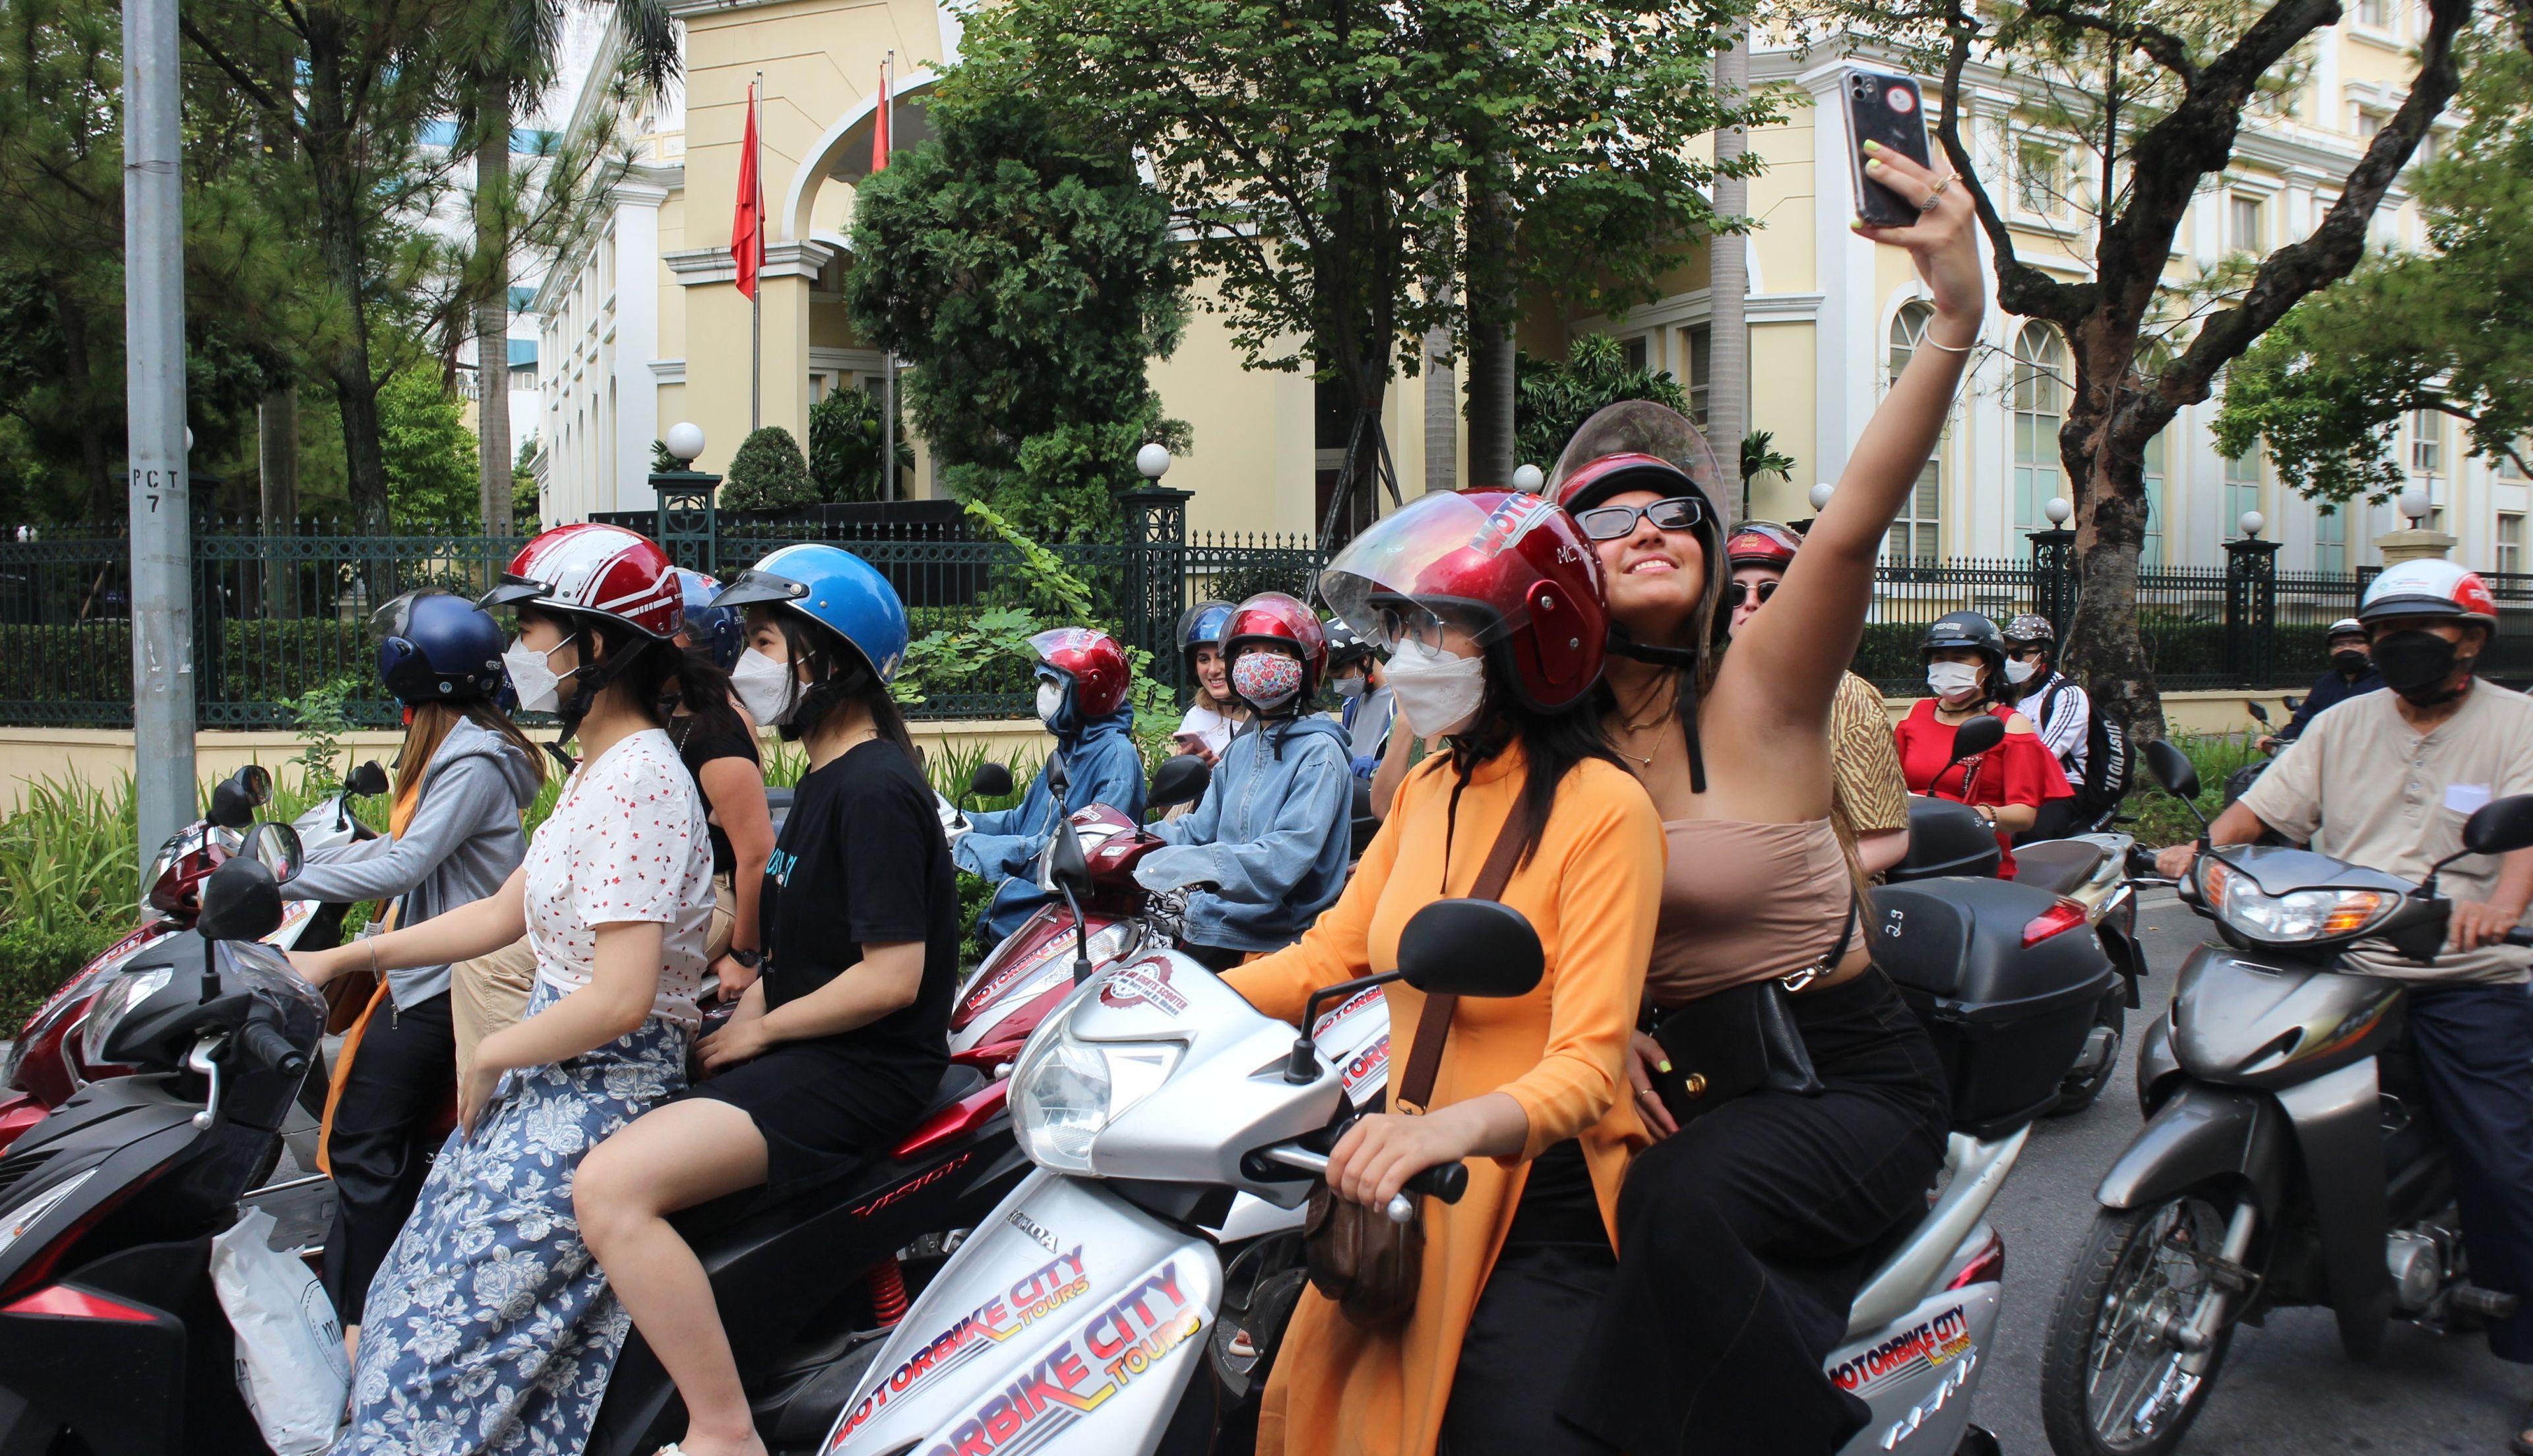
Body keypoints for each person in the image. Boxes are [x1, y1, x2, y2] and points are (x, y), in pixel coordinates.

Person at [1544, 140, 1974, 1456]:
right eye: (1607, 521)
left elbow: (1850, 521)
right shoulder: (1545, 747)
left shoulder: (1767, 691)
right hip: (1675, 1078)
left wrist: (1956, 311)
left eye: (1673, 509)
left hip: (1841, 1078)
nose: (1649, 529)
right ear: (1558, 572)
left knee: (1674, 1207)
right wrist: (1593, 1024)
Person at [1222, 488, 1666, 1456]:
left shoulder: (1606, 811)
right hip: (1402, 1161)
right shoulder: (1429, 786)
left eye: (1439, 625)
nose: (1404, 654)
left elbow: (1590, 1070)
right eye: (1402, 624)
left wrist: (1439, 1139)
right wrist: (1169, 1000)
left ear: (1531, 641)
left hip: (1534, 1194)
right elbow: (1330, 957)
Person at [288, 522, 718, 1455]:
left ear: (595, 646)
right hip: (548, 1083)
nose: (515, 653)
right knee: (412, 1297)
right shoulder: (596, 771)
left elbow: (621, 998)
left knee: (451, 1348)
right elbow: (497, 915)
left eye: (530, 630)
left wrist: (489, 1050)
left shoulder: (642, 780)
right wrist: (338, 961)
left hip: (600, 1095)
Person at [575, 545, 960, 1456]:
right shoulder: (826, 779)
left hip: (861, 1070)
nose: (745, 662)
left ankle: (723, 1431)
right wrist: (719, 994)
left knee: (611, 1188)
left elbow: (891, 978)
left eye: (762, 640)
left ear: (828, 655)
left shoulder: (872, 790)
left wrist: (759, 1032)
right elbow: (793, 934)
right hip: (808, 1049)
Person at [2151, 560, 2533, 1456]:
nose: (2395, 648)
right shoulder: (2344, 720)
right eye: (2383, 631)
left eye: (2420, 632)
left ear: (2470, 641)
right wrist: (2199, 850)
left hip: (2459, 966)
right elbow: (2264, 811)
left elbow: (2526, 834)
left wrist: (2503, 908)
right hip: (2336, 946)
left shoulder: (2518, 725)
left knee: (2503, 1156)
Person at [286, 590, 546, 1350]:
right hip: (434, 965)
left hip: (447, 977)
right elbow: (406, 848)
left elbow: (406, 864)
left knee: (366, 1142)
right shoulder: (461, 746)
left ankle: (366, 1325)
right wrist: (311, 857)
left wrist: (279, 881)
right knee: (369, 1137)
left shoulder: (472, 756)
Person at [446, 568, 767, 1072]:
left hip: (709, 898)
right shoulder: (647, 730)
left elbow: (755, 853)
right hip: (649, 886)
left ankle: (521, 1079)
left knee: (496, 971)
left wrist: (745, 956)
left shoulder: (709, 734)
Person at [1133, 592, 1353, 969]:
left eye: (1277, 652)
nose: (1260, 663)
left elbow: (1283, 859)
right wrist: (1130, 841)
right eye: (1248, 651)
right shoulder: (1242, 749)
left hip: (1278, 938)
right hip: (1218, 921)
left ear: (1306, 665)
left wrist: (1192, 865)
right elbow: (1198, 831)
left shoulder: (1320, 753)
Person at [1723, 520, 1912, 879]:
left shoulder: (1847, 697)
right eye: (1735, 593)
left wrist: (1787, 890)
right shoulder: (1701, 689)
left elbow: (1886, 839)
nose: (1749, 604)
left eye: (1769, 592)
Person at [952, 627, 1146, 946]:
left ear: (1090, 693)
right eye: (1043, 681)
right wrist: (961, 823)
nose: (1044, 692)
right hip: (1019, 921)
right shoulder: (1067, 750)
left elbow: (1087, 851)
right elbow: (1022, 820)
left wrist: (998, 851)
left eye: (1054, 684)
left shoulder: (1115, 758)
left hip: (1065, 928)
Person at [1892, 611, 2074, 879]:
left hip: (1976, 861)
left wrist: (1971, 814)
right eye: (1939, 658)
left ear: (1987, 666)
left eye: (1960, 658)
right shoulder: (1915, 714)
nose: (1946, 666)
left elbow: (2024, 815)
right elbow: (1888, 781)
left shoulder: (2010, 726)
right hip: (1910, 855)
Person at [2000, 613, 2090, 841]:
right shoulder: (2013, 695)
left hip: (2060, 787)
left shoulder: (2067, 695)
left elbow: (2047, 754)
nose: (2011, 661)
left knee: (2028, 842)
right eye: (2007, 654)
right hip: (2018, 786)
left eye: (2018, 654)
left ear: (2044, 655)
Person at [2261, 617, 2383, 750]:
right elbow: (2303, 722)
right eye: (2340, 644)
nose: (2347, 648)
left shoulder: (2384, 682)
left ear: (2370, 647)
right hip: (2329, 758)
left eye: (2356, 642)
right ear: (2331, 651)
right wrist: (2277, 740)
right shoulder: (2324, 685)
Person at [1172, 599, 1249, 764]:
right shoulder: (1195, 719)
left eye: (1222, 657)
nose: (1213, 670)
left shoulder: (1265, 719)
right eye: (1204, 659)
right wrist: (1184, 770)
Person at [1326, 617, 1396, 779]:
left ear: (1365, 660)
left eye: (1341, 675)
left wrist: (1364, 769)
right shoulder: (1352, 702)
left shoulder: (1399, 702)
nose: (1338, 684)